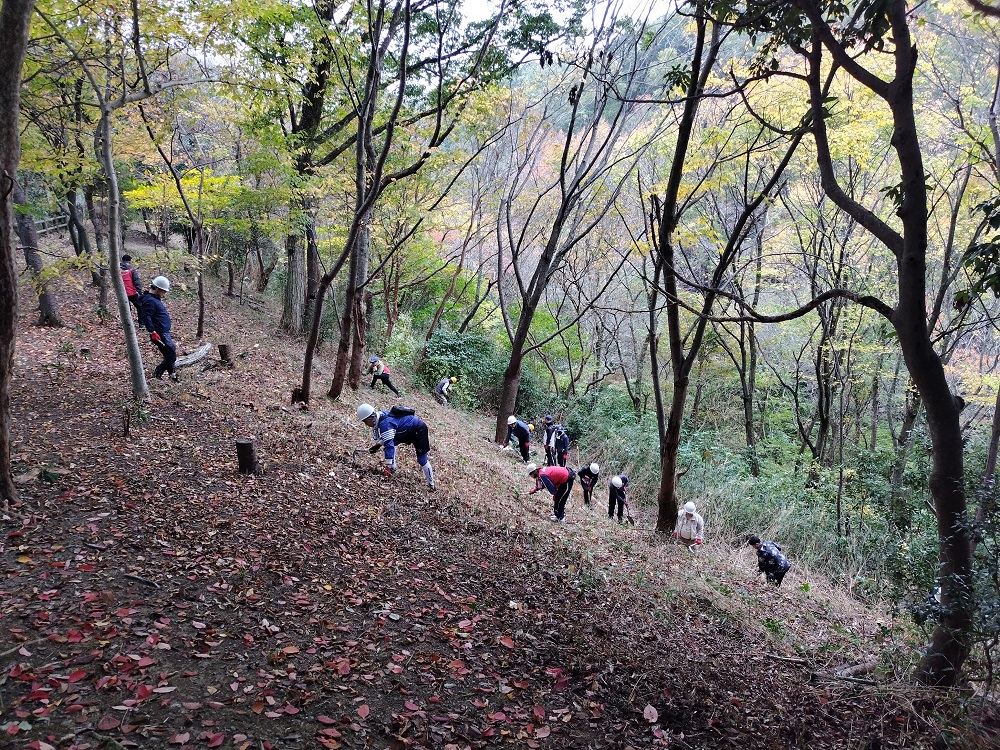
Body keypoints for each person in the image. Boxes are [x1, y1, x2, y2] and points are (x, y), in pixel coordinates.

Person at [357, 403, 434, 489]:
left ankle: (431, 484)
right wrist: (377, 446)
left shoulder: (385, 424)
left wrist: (387, 466)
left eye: (365, 422)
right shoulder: (380, 416)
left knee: (422, 460)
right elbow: (388, 437)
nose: (366, 424)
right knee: (392, 444)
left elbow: (388, 445)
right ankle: (393, 468)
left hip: (418, 430)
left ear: (371, 417)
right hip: (403, 430)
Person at [139, 276, 178, 381]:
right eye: (163, 291)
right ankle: (157, 373)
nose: (164, 294)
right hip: (160, 333)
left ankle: (172, 376)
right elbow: (146, 317)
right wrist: (152, 331)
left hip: (164, 332)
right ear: (157, 289)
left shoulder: (154, 299)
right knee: (172, 355)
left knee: (169, 355)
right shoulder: (149, 300)